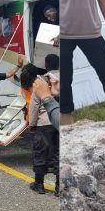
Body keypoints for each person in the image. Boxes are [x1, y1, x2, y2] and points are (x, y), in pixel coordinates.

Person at [28, 54, 60, 196]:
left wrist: (32, 124)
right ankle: (60, 187)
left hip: (44, 122)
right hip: (60, 121)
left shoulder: (40, 81)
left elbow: (34, 105)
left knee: (41, 151)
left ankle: (39, 184)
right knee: (60, 153)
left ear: (46, 65)